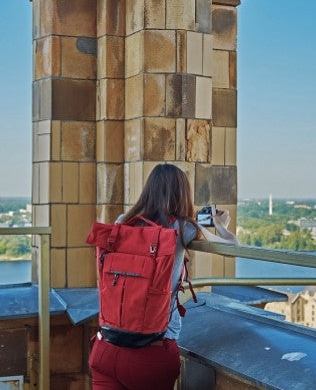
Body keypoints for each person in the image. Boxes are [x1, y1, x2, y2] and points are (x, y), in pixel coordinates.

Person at [88, 163, 237, 390]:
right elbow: (231, 247)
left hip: (107, 348)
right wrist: (220, 225)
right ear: (181, 194)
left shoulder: (122, 222)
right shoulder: (181, 227)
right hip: (152, 353)